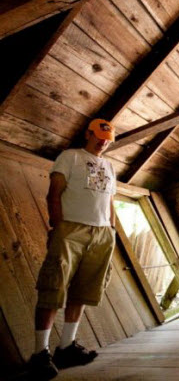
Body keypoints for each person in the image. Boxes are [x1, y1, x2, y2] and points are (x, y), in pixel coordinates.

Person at [29, 119, 117, 379]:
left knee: (83, 289)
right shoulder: (70, 157)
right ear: (88, 134)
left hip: (102, 234)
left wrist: (111, 230)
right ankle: (39, 353)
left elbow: (111, 200)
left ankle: (66, 347)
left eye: (108, 139)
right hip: (71, 229)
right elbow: (54, 193)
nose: (103, 142)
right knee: (53, 286)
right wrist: (58, 226)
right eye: (99, 136)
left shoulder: (111, 166)